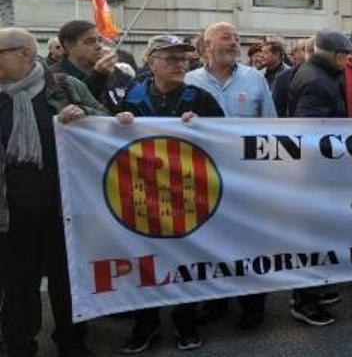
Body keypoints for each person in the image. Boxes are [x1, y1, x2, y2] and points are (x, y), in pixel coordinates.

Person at [114, 36, 225, 354]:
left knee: (185, 258)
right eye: (172, 59)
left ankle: (185, 319)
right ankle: (145, 321)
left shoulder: (199, 98)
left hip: (187, 194)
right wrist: (116, 123)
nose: (181, 65)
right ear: (151, 62)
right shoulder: (131, 98)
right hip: (142, 195)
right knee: (144, 259)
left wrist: (206, 128)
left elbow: (228, 138)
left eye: (184, 59)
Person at [0, 27, 107, 357]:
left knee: (67, 282)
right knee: (19, 286)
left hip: (64, 208)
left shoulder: (64, 86)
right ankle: (20, 345)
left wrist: (83, 116)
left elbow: (107, 123)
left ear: (25, 54)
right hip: (11, 212)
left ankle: (71, 342)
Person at [184, 22, 276, 330]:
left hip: (248, 177)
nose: (235, 43)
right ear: (206, 46)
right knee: (212, 241)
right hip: (205, 177)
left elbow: (270, 126)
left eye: (237, 38)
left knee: (250, 241)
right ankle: (216, 301)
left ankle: (253, 306)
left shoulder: (255, 79)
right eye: (227, 38)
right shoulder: (189, 81)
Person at [286, 29, 352, 324]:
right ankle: (305, 300)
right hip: (316, 174)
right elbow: (310, 135)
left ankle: (316, 288)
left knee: (320, 234)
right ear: (335, 55)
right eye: (345, 55)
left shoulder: (315, 73)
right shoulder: (316, 81)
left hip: (318, 172)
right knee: (313, 236)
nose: (348, 60)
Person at [52, 20, 132, 113]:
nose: (99, 46)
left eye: (100, 40)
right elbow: (77, 108)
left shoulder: (112, 72)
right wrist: (97, 76)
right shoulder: (55, 77)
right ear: (69, 46)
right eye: (90, 41)